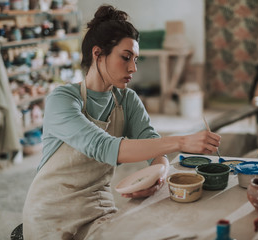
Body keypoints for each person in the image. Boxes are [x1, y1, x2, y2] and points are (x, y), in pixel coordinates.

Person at [22, 4, 221, 239]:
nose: (133, 68)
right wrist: (181, 141)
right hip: (50, 214)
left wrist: (158, 173)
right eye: (126, 58)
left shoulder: (127, 100)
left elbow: (153, 147)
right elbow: (103, 147)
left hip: (98, 209)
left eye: (135, 59)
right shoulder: (62, 100)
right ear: (97, 54)